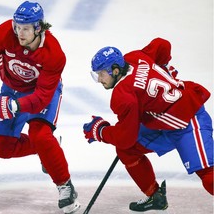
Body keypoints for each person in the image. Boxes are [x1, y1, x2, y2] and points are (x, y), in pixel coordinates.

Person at [0, 1, 80, 214]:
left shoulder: (54, 53)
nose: (20, 32)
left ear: (39, 28)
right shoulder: (6, 33)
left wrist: (12, 106)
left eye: (26, 28)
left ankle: (65, 186)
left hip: (41, 93)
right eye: (17, 26)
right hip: (11, 88)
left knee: (41, 136)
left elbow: (41, 98)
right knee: (1, 148)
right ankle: (49, 151)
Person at [83, 38, 213, 212]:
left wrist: (101, 131)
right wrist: (163, 68)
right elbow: (162, 44)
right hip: (163, 122)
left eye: (101, 74)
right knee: (127, 151)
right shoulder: (134, 57)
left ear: (115, 70)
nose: (99, 79)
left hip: (188, 118)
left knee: (209, 177)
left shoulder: (122, 95)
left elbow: (125, 137)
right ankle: (155, 196)